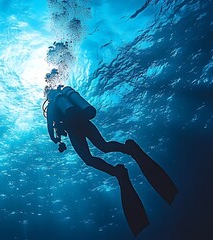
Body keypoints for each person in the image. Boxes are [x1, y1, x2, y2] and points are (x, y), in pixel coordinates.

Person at [44, 85, 178, 236]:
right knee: (104, 146)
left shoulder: (51, 107)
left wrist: (56, 139)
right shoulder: (66, 99)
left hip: (73, 130)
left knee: (88, 159)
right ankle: (129, 149)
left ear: (47, 97)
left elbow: (50, 127)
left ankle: (116, 172)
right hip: (84, 122)